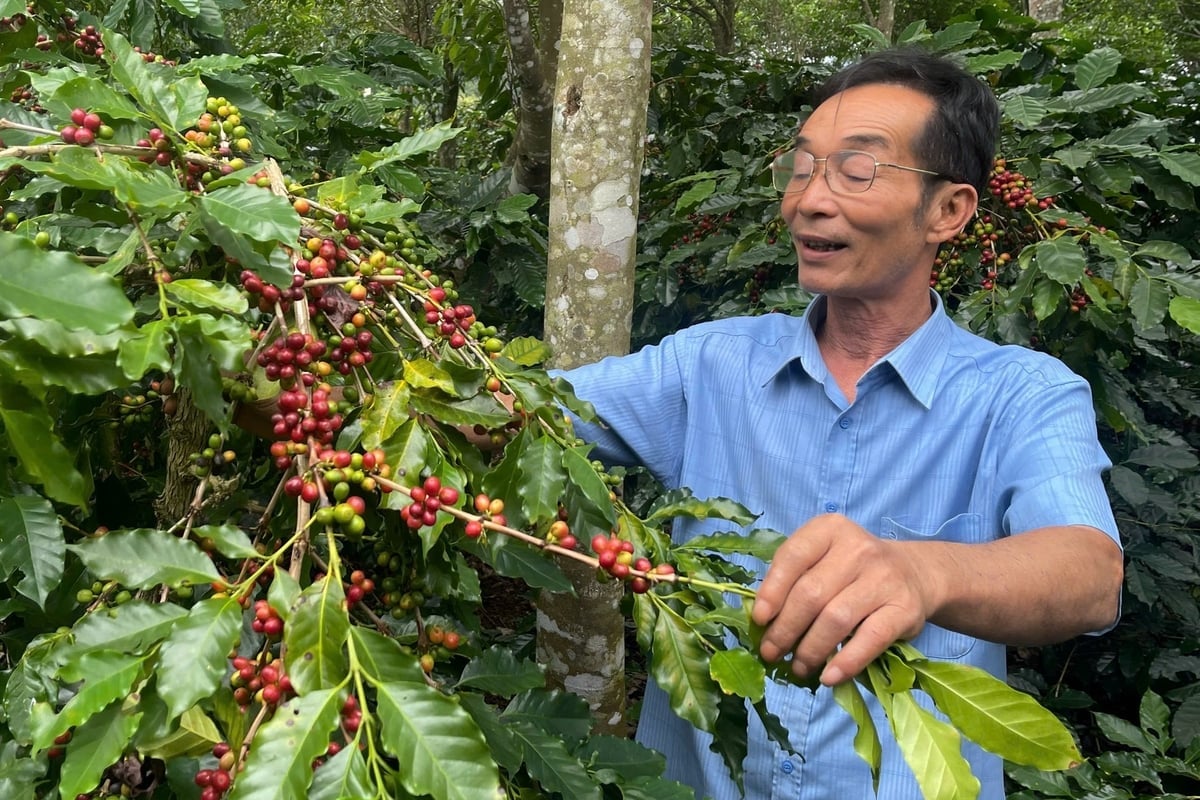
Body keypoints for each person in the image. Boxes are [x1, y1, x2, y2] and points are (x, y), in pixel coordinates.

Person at [555, 47, 1124, 799]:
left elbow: (1088, 575)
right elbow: (518, 409)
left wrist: (925, 571)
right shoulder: (709, 365)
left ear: (949, 211)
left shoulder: (1021, 394)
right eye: (800, 166)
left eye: (857, 172)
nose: (809, 199)